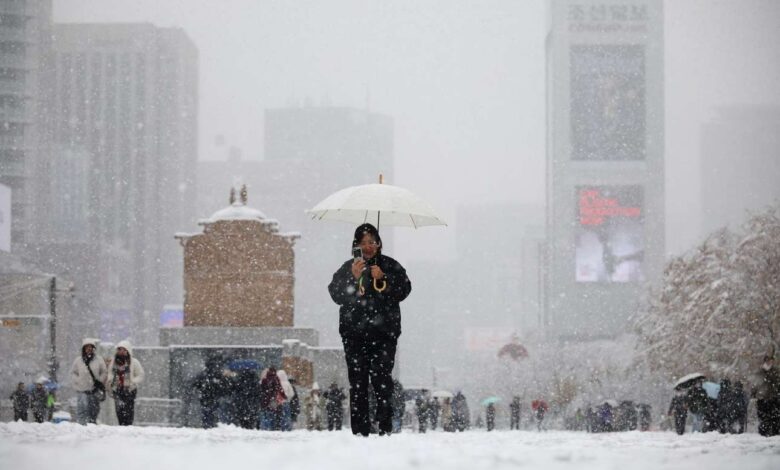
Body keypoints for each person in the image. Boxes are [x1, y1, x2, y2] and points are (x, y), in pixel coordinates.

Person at [328, 223, 412, 437]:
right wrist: (353, 279)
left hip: (384, 335)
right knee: (358, 383)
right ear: (355, 245)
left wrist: (382, 278)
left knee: (382, 380)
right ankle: (360, 430)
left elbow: (404, 290)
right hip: (354, 335)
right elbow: (336, 295)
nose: (368, 247)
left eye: (372, 242)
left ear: (379, 244)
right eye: (363, 242)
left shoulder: (389, 266)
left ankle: (384, 427)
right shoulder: (349, 267)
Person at [106, 340, 145, 426]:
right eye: (119, 349)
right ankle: (122, 427)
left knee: (128, 411)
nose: (121, 352)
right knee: (119, 411)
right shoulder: (113, 362)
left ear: (128, 351)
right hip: (117, 389)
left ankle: (128, 427)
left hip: (130, 390)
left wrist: (133, 381)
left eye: (124, 350)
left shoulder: (134, 362)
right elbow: (110, 373)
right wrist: (110, 380)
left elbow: (140, 375)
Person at [69, 338, 107, 425]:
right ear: (84, 349)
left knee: (93, 412)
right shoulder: (78, 360)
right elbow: (73, 373)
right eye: (87, 347)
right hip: (82, 390)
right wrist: (77, 381)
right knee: (82, 410)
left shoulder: (99, 360)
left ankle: (91, 427)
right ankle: (81, 427)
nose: (89, 349)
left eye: (91, 347)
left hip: (94, 390)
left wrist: (99, 381)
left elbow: (104, 371)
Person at [192, 356, 227, 429]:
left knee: (206, 414)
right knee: (215, 413)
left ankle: (207, 426)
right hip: (215, 398)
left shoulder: (203, 375)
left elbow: (195, 384)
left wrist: (200, 389)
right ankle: (214, 426)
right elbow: (224, 386)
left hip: (205, 398)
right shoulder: (217, 374)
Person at [753, 354, 780, 437]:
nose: (770, 363)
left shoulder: (776, 371)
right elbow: (755, 385)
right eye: (768, 361)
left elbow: (777, 383)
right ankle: (763, 435)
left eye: (771, 361)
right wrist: (753, 394)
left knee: (775, 419)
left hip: (774, 399)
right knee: (763, 419)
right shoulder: (759, 373)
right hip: (762, 399)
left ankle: (775, 435)